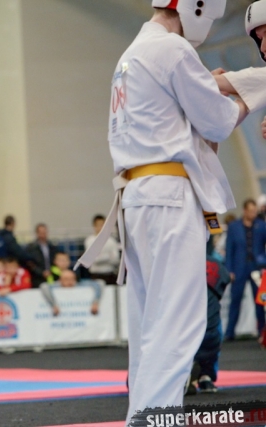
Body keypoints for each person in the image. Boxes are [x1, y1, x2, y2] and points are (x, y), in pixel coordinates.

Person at [76, 1, 248, 424]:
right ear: (195, 6)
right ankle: (154, 418)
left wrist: (209, 86)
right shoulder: (172, 48)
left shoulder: (132, 54)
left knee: (150, 323)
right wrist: (248, 92)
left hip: (138, 195)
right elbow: (218, 122)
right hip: (168, 194)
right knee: (177, 321)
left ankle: (144, 414)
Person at [185, 240, 231, 395]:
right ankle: (206, 377)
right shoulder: (216, 264)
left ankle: (184, 374)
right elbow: (225, 280)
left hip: (187, 327)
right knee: (215, 328)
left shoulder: (179, 264)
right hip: (211, 333)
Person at [224, 198, 266, 340]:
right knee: (235, 300)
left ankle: (262, 331)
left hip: (256, 267)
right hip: (239, 267)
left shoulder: (261, 225)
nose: (253, 214)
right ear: (244, 210)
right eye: (251, 211)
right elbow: (229, 249)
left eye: (255, 211)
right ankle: (230, 332)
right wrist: (229, 270)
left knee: (259, 301)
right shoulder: (234, 227)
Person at [83, 215, 120, 284]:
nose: (101, 227)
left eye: (103, 225)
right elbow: (93, 259)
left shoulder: (111, 241)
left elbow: (115, 259)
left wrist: (100, 257)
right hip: (95, 274)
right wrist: (108, 257)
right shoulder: (89, 241)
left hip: (109, 273)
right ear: (94, 226)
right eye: (99, 225)